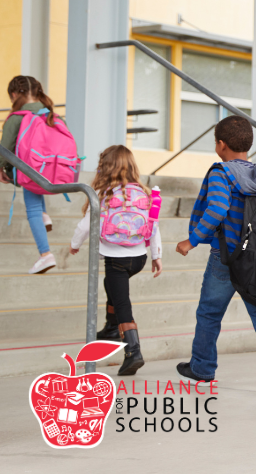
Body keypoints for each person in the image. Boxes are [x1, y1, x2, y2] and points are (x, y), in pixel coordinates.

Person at [174, 115, 256, 394]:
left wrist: (191, 241)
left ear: (221, 145)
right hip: (255, 257)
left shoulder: (222, 173)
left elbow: (217, 208)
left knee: (209, 312)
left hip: (226, 257)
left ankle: (202, 367)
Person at [70, 145, 163, 376]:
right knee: (110, 286)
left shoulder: (104, 194)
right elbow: (154, 227)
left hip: (116, 259)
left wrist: (74, 244)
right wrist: (156, 255)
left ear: (105, 167)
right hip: (139, 257)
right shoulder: (145, 193)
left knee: (122, 303)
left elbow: (84, 226)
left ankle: (133, 352)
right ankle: (112, 328)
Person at [1, 75, 59, 274]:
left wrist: (1, 169)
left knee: (31, 208)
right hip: (53, 170)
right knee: (37, 196)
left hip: (29, 171)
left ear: (15, 95)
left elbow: (4, 149)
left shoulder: (17, 118)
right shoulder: (51, 114)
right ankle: (44, 216)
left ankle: (45, 255)